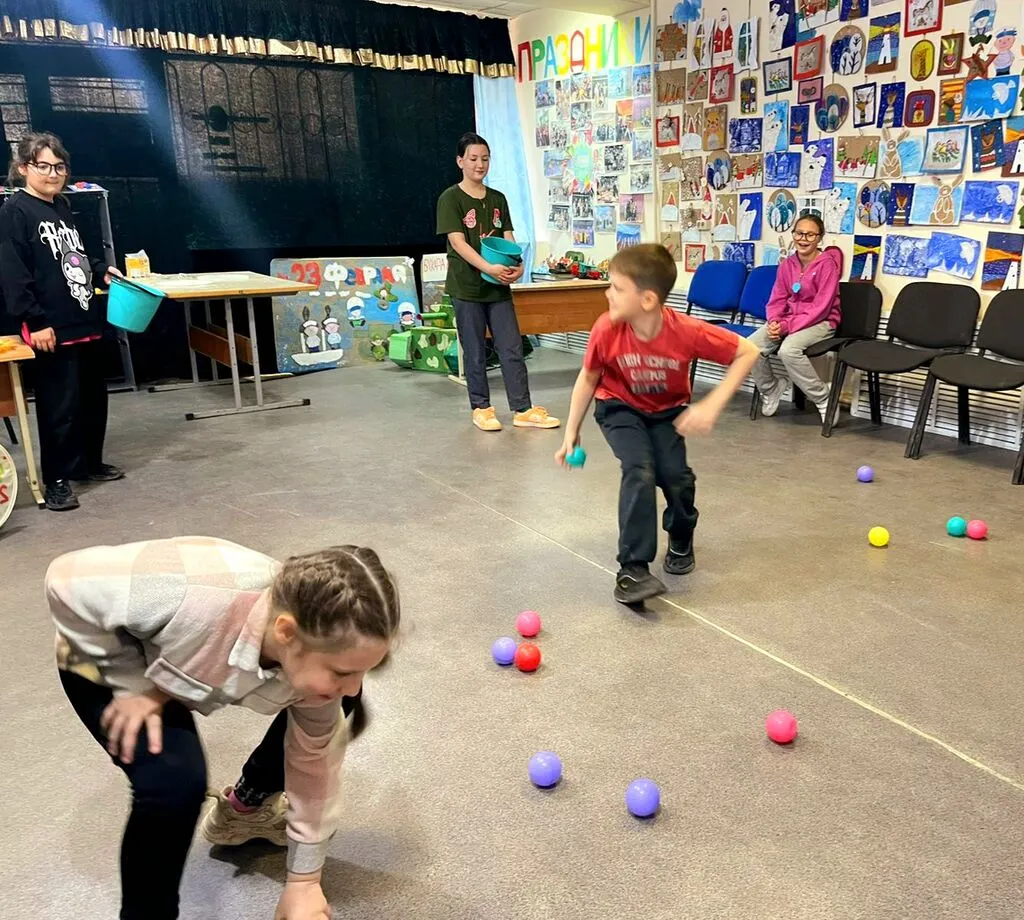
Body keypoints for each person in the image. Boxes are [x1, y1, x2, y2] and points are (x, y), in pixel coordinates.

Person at [48, 537, 400, 920]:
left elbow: (313, 766)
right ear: (286, 632)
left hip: (182, 661)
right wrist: (132, 686)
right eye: (343, 671)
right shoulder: (187, 596)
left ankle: (247, 806)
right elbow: (65, 580)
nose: (354, 685)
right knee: (173, 784)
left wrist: (304, 881)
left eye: (365, 671)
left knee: (336, 701)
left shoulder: (309, 653)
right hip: (105, 655)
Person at [555, 245, 759, 605]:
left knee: (676, 479)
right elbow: (589, 377)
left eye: (617, 288)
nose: (608, 294)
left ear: (647, 299)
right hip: (618, 406)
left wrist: (712, 405)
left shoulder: (686, 331)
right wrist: (572, 430)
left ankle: (681, 533)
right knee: (639, 468)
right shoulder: (606, 328)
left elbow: (748, 352)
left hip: (666, 412)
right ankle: (632, 568)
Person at [0, 131, 123, 511]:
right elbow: (13, 273)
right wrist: (34, 320)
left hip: (83, 316)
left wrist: (100, 269)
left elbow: (75, 254)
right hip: (50, 325)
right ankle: (56, 479)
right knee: (59, 407)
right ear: (24, 168)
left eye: (59, 166)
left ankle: (88, 464)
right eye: (43, 166)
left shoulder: (62, 207)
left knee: (92, 399)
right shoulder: (14, 212)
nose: (53, 173)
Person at [436, 132, 559, 433]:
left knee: (512, 347)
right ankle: (481, 408)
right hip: (467, 288)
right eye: (473, 159)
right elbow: (458, 243)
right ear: (460, 161)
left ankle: (523, 409)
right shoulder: (450, 198)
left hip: (498, 288)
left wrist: (517, 264)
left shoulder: (497, 199)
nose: (480, 165)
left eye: (485, 159)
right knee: (475, 350)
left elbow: (508, 238)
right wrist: (488, 266)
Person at [748, 214, 843, 421]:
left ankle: (824, 398)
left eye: (810, 235)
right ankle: (771, 388)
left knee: (788, 350)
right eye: (799, 233)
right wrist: (774, 321)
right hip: (788, 320)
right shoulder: (787, 265)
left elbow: (820, 308)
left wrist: (786, 326)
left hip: (821, 321)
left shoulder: (828, 265)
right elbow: (777, 298)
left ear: (820, 238)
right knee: (749, 348)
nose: (803, 239)